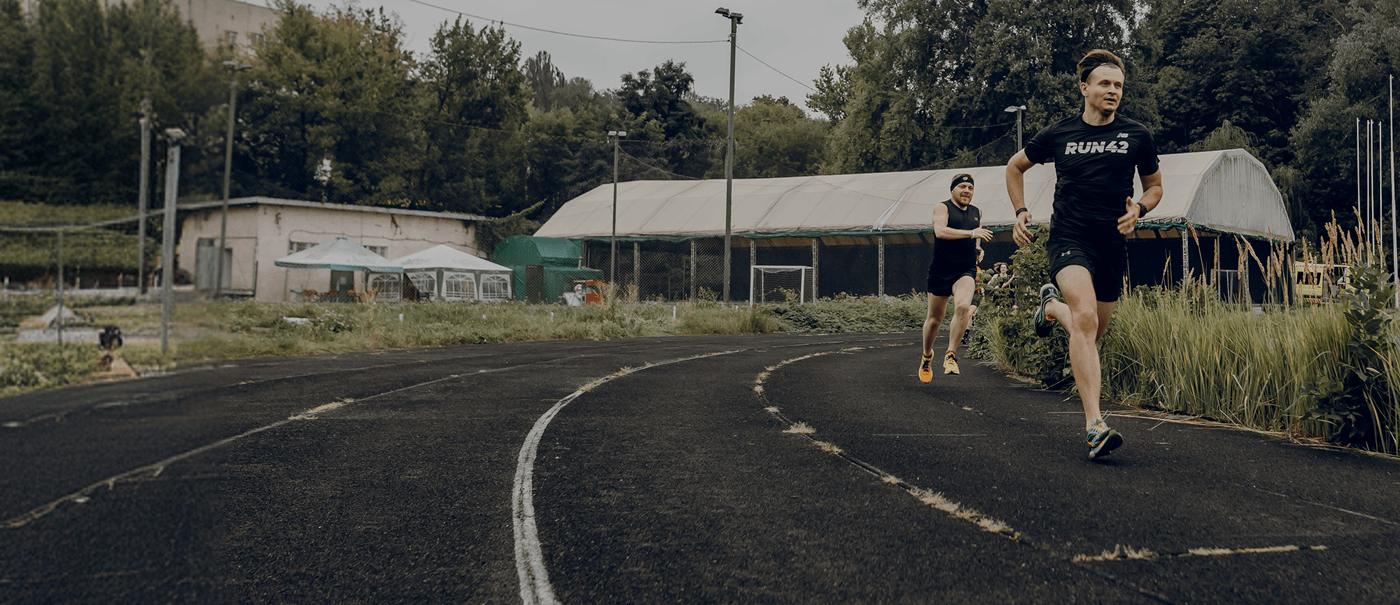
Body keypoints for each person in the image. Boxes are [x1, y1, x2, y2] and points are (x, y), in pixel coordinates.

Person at [1005, 49, 1163, 459]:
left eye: (1119, 86)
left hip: (1111, 243)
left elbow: (1155, 187)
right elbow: (1014, 166)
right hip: (1069, 237)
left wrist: (1140, 208)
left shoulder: (1137, 135)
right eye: (1105, 83)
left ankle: (1050, 309)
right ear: (1084, 88)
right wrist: (1021, 211)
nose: (1113, 91)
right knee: (1087, 319)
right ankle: (1095, 425)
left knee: (1091, 330)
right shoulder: (1059, 133)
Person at [919, 173, 993, 382]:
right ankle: (927, 356)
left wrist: (976, 249)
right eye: (962, 187)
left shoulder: (977, 212)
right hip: (941, 270)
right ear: (952, 190)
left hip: (965, 270)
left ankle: (950, 355)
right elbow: (940, 231)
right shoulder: (942, 208)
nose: (966, 191)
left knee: (963, 307)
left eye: (970, 188)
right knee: (934, 320)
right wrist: (971, 234)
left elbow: (974, 236)